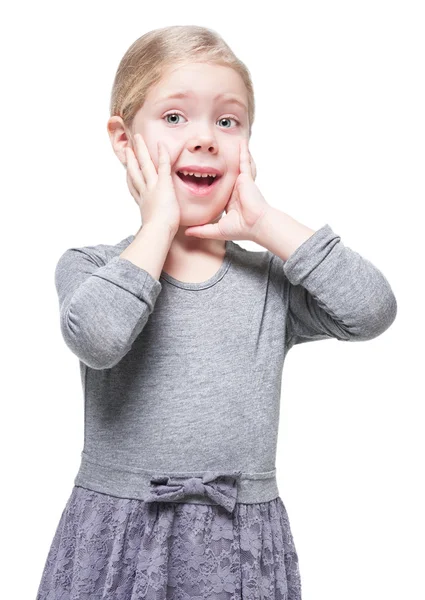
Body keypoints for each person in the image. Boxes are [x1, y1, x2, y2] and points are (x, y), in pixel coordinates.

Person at [36, 25, 397, 600]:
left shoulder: (271, 282)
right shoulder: (91, 266)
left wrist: (265, 225)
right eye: (175, 118)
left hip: (240, 544)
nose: (205, 137)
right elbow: (99, 337)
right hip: (118, 543)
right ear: (124, 139)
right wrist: (158, 224)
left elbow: (372, 310)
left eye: (227, 121)